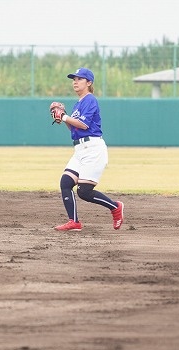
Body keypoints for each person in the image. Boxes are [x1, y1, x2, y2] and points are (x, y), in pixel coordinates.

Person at [50, 67, 124, 232]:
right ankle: (74, 222)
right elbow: (74, 128)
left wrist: (64, 116)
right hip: (80, 149)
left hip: (93, 149)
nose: (75, 82)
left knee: (84, 191)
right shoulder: (78, 104)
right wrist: (64, 118)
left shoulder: (90, 100)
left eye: (79, 79)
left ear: (89, 82)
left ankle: (115, 207)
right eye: (74, 79)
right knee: (66, 183)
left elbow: (84, 125)